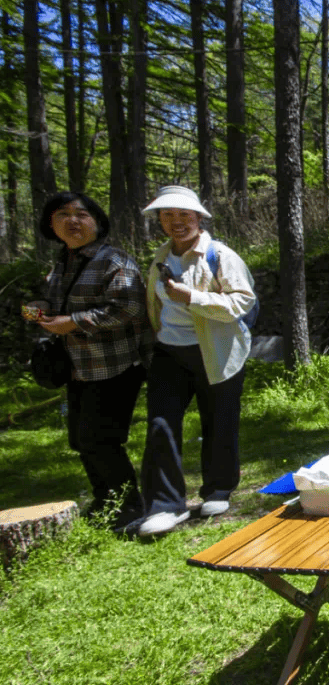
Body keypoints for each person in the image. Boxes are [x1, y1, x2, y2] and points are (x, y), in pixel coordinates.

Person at [138, 186, 256, 536]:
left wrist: (193, 297)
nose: (176, 222)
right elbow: (155, 302)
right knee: (160, 424)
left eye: (184, 215)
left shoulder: (219, 255)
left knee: (218, 420)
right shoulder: (160, 256)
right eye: (167, 216)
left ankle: (218, 489)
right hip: (169, 352)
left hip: (216, 351)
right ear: (159, 220)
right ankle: (165, 506)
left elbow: (242, 302)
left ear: (199, 217)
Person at [36, 191, 154, 530]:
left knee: (101, 439)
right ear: (51, 224)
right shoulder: (62, 263)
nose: (73, 221)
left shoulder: (114, 260)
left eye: (81, 214)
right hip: (78, 366)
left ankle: (128, 507)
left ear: (97, 223)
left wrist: (73, 322)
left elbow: (129, 308)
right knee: (80, 439)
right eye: (63, 214)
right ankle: (104, 501)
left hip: (115, 365)